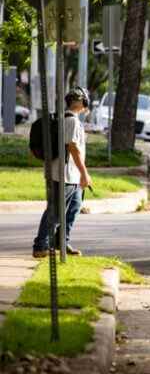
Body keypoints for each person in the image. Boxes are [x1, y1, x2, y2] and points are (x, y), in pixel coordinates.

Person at [32, 87, 93, 258]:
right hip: (63, 175)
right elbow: (73, 148)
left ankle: (62, 242)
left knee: (74, 208)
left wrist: (80, 174)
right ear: (81, 101)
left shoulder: (72, 120)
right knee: (56, 212)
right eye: (86, 100)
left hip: (72, 175)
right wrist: (84, 173)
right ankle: (40, 246)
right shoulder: (71, 121)